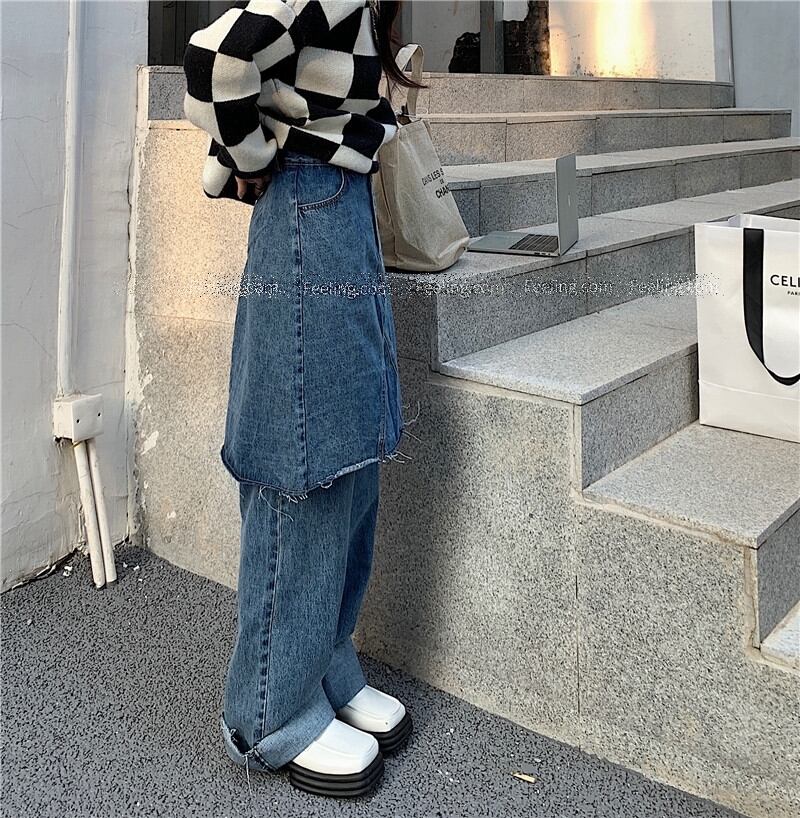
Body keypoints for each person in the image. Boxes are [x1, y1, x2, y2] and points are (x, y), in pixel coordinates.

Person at [182, 0, 423, 800]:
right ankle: (269, 713)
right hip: (309, 207)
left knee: (349, 452)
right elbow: (215, 59)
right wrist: (250, 154)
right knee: (304, 458)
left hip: (336, 207)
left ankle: (321, 662)